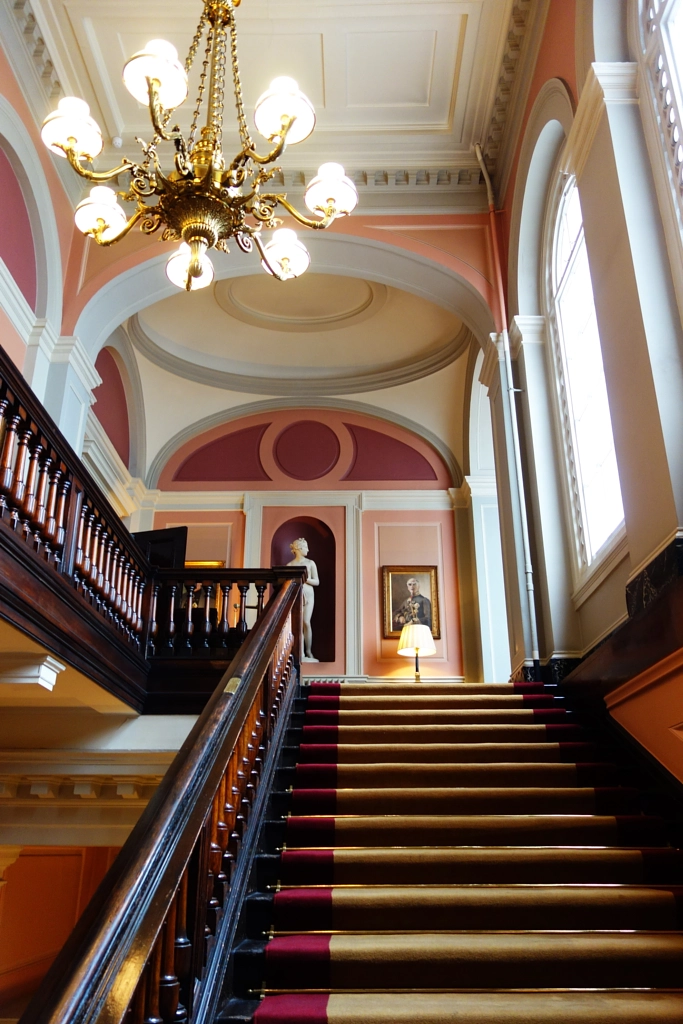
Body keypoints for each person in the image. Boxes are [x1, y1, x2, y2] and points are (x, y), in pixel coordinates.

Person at [287, 537, 320, 662]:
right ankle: (299, 652)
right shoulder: (290, 565)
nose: (308, 549)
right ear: (299, 549)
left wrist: (305, 579)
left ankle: (308, 651)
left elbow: (317, 581)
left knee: (306, 622)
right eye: (306, 547)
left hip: (309, 594)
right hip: (296, 594)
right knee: (297, 624)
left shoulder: (311, 563)